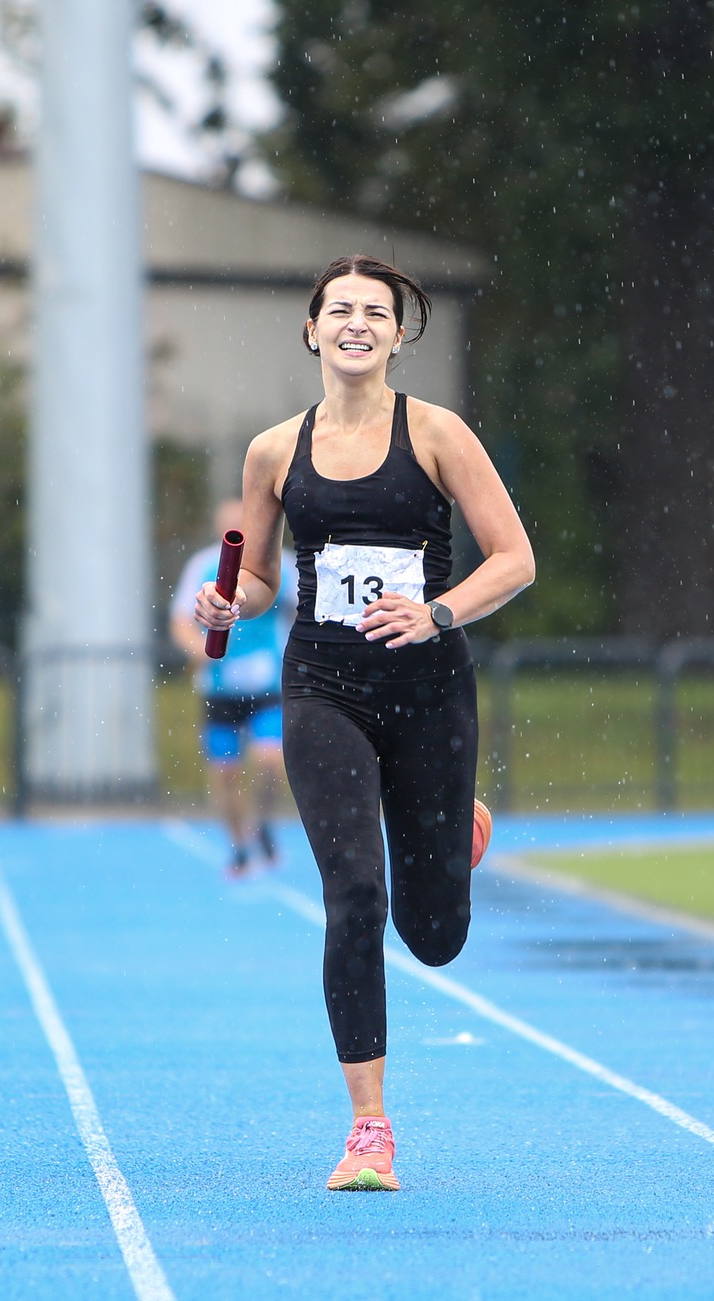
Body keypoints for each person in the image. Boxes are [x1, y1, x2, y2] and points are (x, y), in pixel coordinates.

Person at [193, 254, 535, 1191]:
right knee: (353, 892)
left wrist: (438, 611)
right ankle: (369, 1128)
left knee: (435, 935)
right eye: (338, 309)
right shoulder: (274, 452)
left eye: (374, 312)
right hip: (322, 688)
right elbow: (259, 576)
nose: (356, 324)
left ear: (397, 333)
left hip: (427, 688)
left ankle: (455, 830)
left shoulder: (437, 433)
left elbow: (514, 557)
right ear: (312, 329)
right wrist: (230, 604)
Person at [170, 498, 298, 877]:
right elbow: (181, 621)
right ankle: (239, 844)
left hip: (268, 686)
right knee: (226, 773)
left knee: (270, 761)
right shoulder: (203, 566)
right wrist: (198, 649)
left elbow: (303, 612)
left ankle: (264, 822)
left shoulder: (282, 564)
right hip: (220, 689)